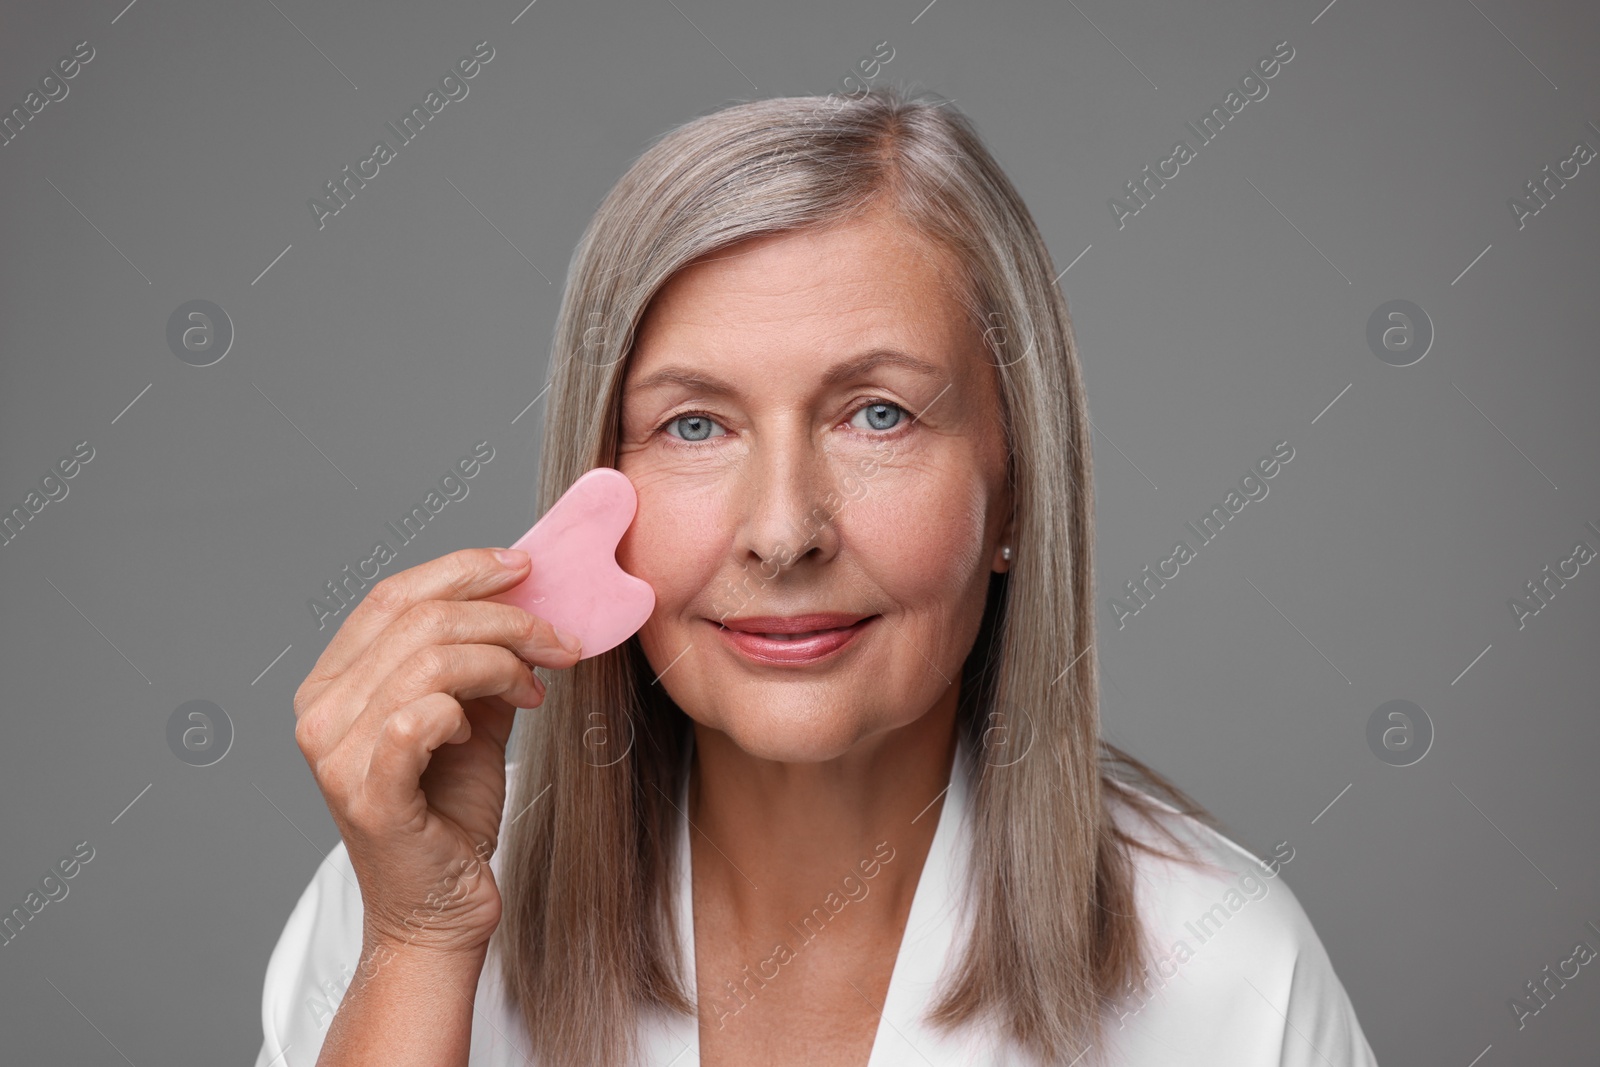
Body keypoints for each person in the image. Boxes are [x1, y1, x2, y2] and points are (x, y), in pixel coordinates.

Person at [255, 87, 1380, 1066]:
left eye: (877, 414)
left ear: (1017, 491)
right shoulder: (394, 910)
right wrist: (418, 943)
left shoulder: (1224, 969)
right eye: (694, 423)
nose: (783, 530)